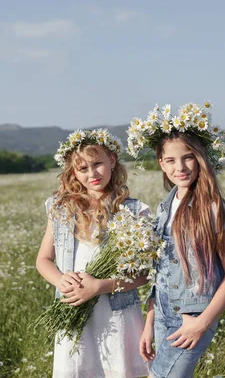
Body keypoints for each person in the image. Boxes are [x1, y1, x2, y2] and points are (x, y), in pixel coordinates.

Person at [127, 102, 225, 377]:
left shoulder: (213, 206)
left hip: (192, 317)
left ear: (201, 157)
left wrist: (202, 323)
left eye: (188, 157)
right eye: (170, 160)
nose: (179, 167)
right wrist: (150, 321)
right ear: (161, 163)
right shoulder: (165, 207)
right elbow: (163, 273)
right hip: (164, 314)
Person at [36, 129, 151, 378]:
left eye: (97, 163)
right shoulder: (62, 208)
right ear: (73, 172)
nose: (92, 174)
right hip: (74, 308)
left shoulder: (133, 211)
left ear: (112, 159)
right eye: (82, 169)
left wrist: (100, 286)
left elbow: (144, 275)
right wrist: (59, 280)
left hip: (116, 314)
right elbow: (43, 259)